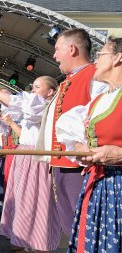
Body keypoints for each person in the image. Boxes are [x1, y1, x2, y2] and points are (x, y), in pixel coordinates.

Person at [34, 28, 107, 237]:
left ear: (72, 49)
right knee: (72, 226)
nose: (54, 55)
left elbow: (99, 119)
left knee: (86, 226)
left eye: (57, 49)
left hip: (79, 167)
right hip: (61, 165)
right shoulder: (69, 80)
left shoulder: (94, 76)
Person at [56, 37, 122, 253]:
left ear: (118, 58)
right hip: (100, 185)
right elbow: (70, 127)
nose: (95, 61)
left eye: (100, 55)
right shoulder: (100, 99)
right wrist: (78, 147)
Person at [0, 75, 62, 252]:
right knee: (21, 201)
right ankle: (21, 239)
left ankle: (40, 242)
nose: (32, 90)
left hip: (37, 158)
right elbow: (14, 106)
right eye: (32, 87)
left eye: (37, 87)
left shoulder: (47, 106)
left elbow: (22, 103)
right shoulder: (35, 107)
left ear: (50, 92)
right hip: (24, 157)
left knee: (38, 202)